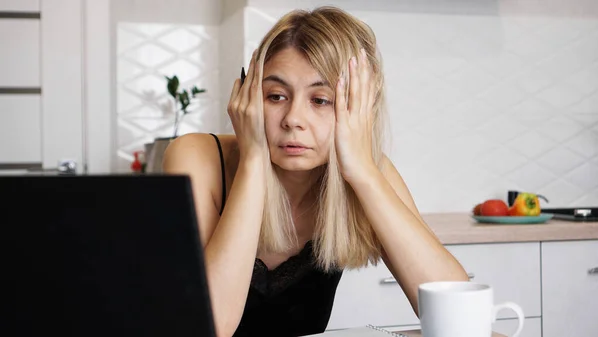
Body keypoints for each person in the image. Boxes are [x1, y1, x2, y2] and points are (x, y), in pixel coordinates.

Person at [163, 6, 468, 337]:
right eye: (276, 96)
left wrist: (363, 172)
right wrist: (254, 159)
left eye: (320, 100)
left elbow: (460, 317)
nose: (293, 118)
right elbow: (209, 327)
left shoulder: (368, 170)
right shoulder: (196, 156)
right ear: (250, 99)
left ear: (359, 107)